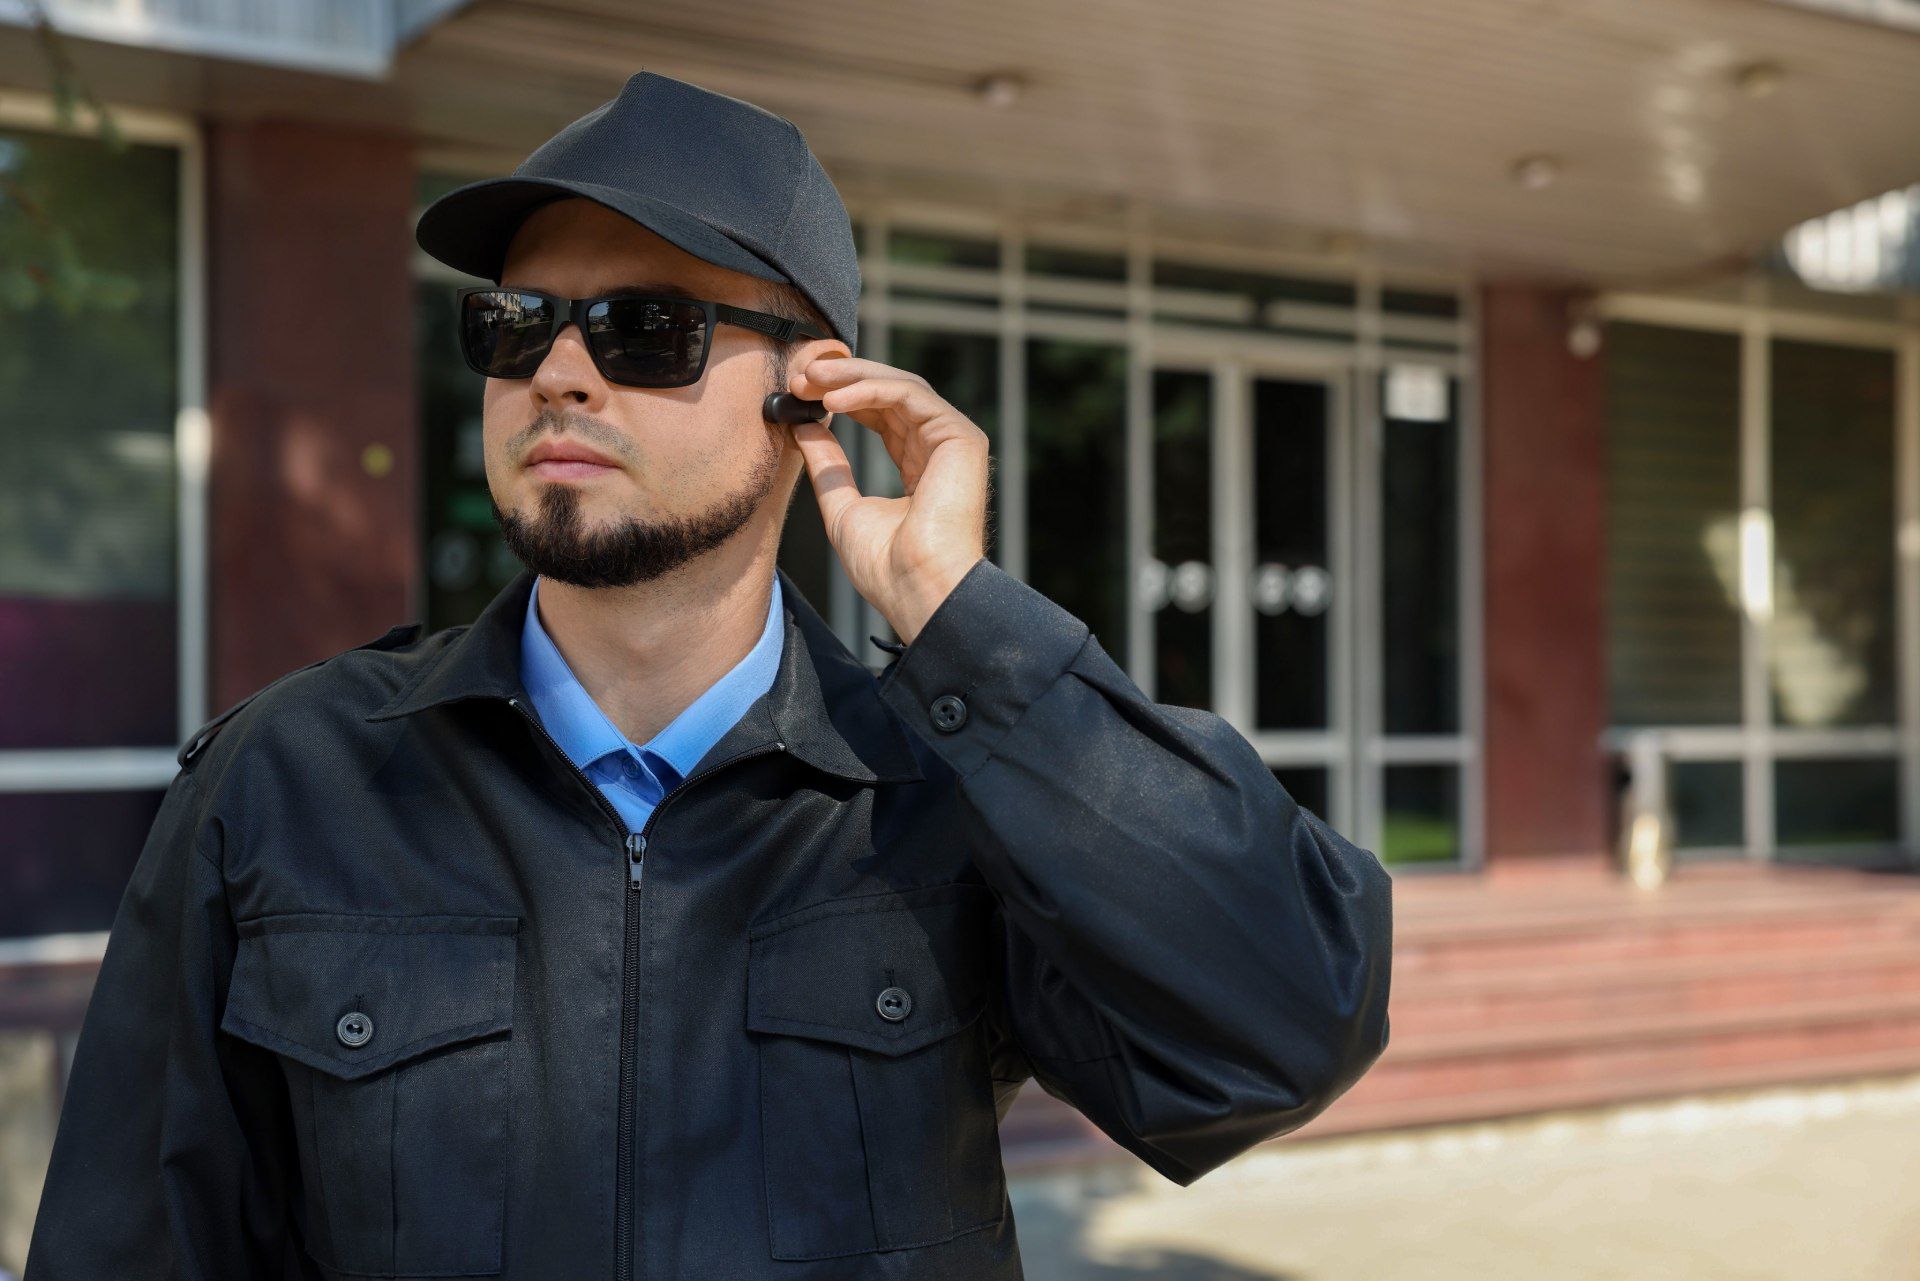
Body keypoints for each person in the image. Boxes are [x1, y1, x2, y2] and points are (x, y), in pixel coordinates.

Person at [23, 70, 1392, 1280]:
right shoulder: (287, 781)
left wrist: (962, 624)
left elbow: (1283, 1029)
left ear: (816, 394)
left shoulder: (939, 787)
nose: (558, 370)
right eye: (516, 323)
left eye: (643, 326)